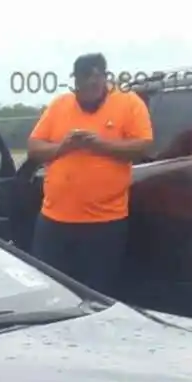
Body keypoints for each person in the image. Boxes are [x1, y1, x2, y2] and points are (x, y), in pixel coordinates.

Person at [25, 53, 154, 296]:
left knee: (95, 295)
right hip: (54, 220)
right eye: (84, 81)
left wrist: (99, 145)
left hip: (104, 223)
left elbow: (143, 146)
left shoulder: (128, 103)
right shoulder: (59, 105)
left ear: (104, 78)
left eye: (97, 79)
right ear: (76, 82)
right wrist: (62, 147)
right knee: (51, 293)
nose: (91, 86)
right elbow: (34, 147)